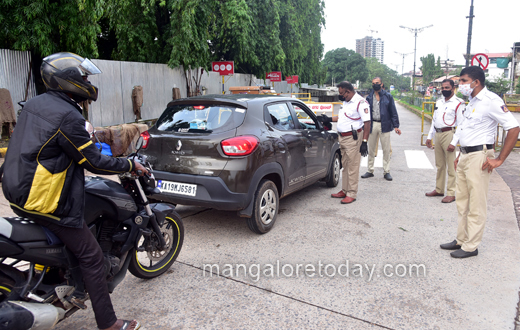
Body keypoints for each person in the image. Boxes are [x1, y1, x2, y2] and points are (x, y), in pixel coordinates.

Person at [2, 52, 146, 330]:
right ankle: (109, 323)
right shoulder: (69, 117)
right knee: (91, 257)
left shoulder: (35, 104)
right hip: (43, 199)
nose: (88, 81)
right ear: (68, 81)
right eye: (84, 77)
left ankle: (66, 281)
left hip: (18, 191)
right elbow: (93, 161)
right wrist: (130, 164)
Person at [440, 66, 520, 258]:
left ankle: (471, 246)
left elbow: (514, 127)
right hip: (467, 155)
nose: (461, 85)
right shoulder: (472, 101)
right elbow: (467, 130)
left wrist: (499, 159)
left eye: (464, 81)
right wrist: (460, 154)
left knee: (476, 203)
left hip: (480, 156)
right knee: (462, 201)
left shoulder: (491, 101)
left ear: (476, 82)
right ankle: (461, 239)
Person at [330, 81, 371, 204]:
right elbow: (343, 117)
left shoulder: (360, 102)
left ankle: (352, 193)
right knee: (345, 165)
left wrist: (364, 141)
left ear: (348, 91)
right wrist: (328, 119)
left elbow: (367, 122)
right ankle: (345, 189)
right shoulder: (346, 102)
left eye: (342, 93)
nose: (341, 96)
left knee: (353, 166)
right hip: (342, 138)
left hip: (353, 138)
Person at [425, 79, 465, 203]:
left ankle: (451, 192)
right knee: (440, 164)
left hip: (449, 133)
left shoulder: (459, 103)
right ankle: (439, 189)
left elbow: (461, 124)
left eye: (447, 88)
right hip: (438, 133)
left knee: (451, 166)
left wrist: (454, 142)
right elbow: (434, 119)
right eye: (442, 88)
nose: (444, 90)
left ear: (453, 88)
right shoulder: (439, 101)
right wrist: (429, 136)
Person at [361, 77, 401, 181]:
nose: (375, 85)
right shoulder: (369, 98)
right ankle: (370, 170)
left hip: (385, 124)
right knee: (371, 149)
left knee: (386, 149)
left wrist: (396, 126)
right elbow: (364, 113)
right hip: (372, 124)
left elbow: (393, 112)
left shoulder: (388, 96)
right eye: (373, 83)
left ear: (381, 84)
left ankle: (386, 171)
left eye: (377, 83)